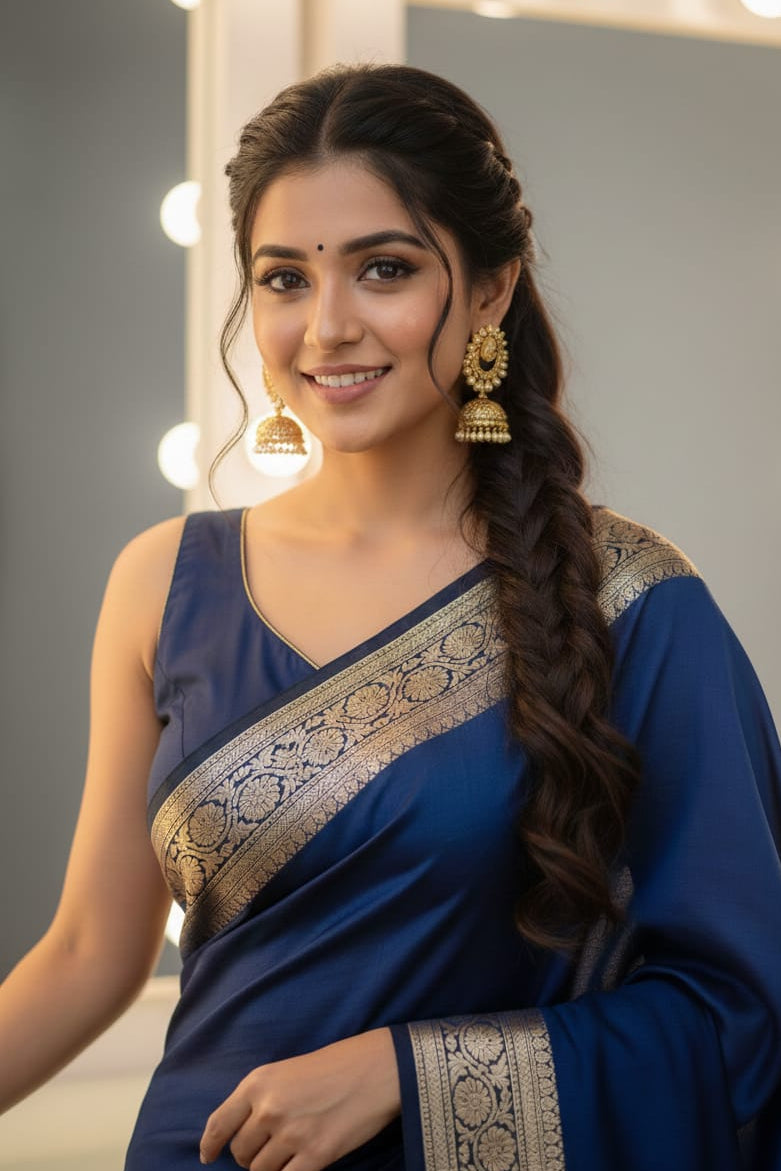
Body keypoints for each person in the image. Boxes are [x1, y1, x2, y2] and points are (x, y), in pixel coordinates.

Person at [1, 62, 780, 1171]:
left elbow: (736, 1013)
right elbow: (86, 953)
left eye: (384, 268)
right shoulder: (167, 579)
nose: (327, 326)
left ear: (492, 292)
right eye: (281, 279)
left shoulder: (630, 604)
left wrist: (406, 1077)